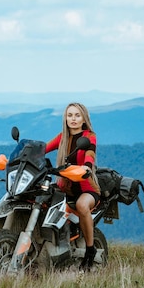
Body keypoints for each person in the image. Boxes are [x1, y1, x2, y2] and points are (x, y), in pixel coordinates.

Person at [45, 103, 101, 271]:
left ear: (84, 118)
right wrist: (24, 156)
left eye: (77, 115)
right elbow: (43, 149)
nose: (73, 119)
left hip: (87, 189)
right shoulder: (62, 137)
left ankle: (90, 250)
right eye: (70, 115)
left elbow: (90, 153)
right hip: (65, 188)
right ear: (65, 118)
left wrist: (87, 167)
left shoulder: (89, 136)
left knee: (81, 205)